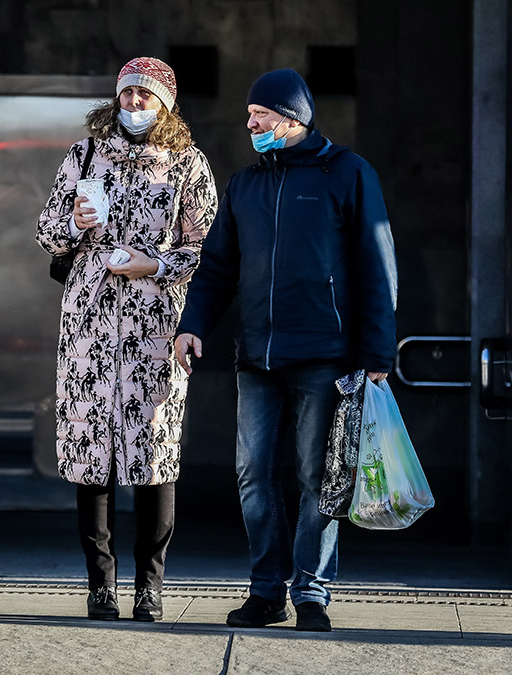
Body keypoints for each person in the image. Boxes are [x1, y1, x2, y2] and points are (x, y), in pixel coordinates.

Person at [174, 68, 397, 632]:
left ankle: (312, 594)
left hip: (326, 355)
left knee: (316, 476)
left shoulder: (347, 173)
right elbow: (217, 266)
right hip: (257, 358)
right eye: (250, 115)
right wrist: (192, 322)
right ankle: (267, 592)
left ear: (292, 117)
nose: (250, 122)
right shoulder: (246, 184)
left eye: (260, 114)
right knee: (253, 474)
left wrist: (377, 354)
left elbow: (377, 265)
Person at [36, 57, 218, 622]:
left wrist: (153, 263)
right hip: (89, 329)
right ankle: (100, 585)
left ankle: (150, 586)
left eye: (145, 97)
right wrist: (76, 225)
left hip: (153, 330)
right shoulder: (84, 156)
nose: (134, 105)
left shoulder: (187, 165)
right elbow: (44, 231)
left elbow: (206, 249)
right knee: (92, 457)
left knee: (153, 453)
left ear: (165, 103)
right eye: (127, 95)